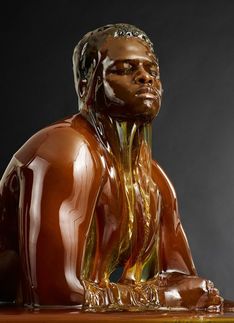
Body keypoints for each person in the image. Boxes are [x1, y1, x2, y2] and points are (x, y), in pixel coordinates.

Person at [0, 23, 222, 311]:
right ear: (85, 86)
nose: (145, 78)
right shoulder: (66, 152)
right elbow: (54, 294)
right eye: (124, 69)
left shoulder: (153, 179)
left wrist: (178, 293)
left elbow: (186, 284)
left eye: (152, 71)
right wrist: (160, 297)